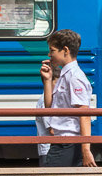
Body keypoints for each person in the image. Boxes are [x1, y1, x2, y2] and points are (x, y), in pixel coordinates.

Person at [39, 28, 96, 168]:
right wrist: (48, 80)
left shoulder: (74, 77)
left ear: (65, 50)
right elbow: (49, 107)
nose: (49, 54)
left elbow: (84, 114)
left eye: (52, 50)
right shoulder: (66, 75)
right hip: (62, 141)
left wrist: (86, 150)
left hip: (68, 142)